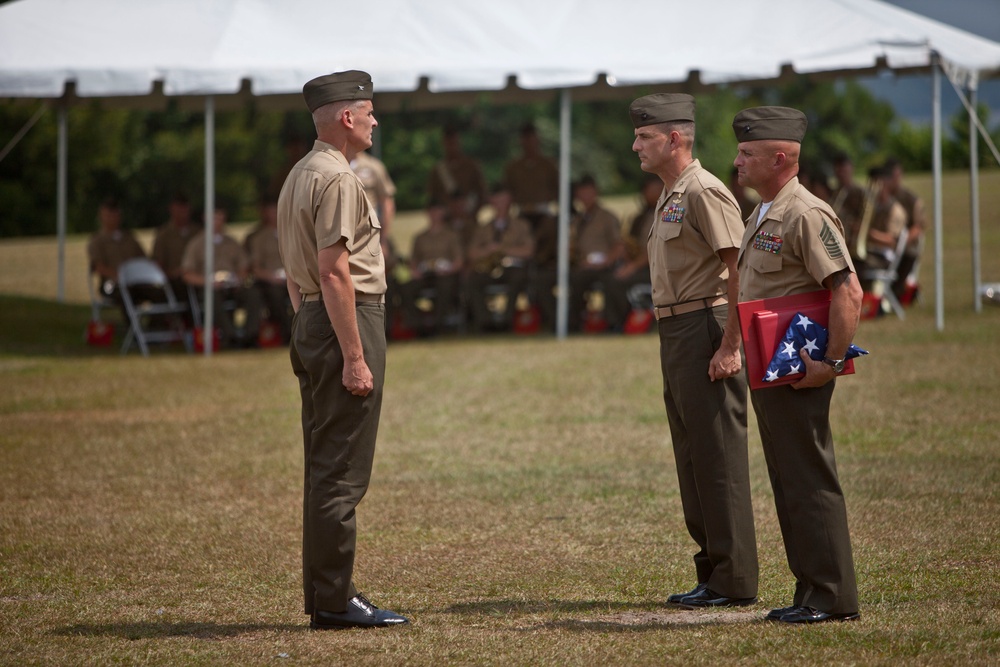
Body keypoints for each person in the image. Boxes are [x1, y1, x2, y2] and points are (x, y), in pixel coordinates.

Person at [276, 70, 408, 630]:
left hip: (312, 317)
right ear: (346, 117)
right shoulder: (338, 180)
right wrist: (355, 355)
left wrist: (308, 322)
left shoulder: (300, 174)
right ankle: (334, 600)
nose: (376, 120)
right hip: (343, 321)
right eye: (369, 111)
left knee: (323, 464)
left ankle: (325, 592)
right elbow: (335, 273)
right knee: (341, 471)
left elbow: (297, 271)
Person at [732, 106, 863, 624]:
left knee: (808, 477)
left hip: (802, 366)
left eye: (747, 154)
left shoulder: (806, 213)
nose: (736, 162)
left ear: (780, 158)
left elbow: (847, 291)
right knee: (789, 479)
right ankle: (811, 588)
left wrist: (830, 362)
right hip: (773, 366)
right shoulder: (763, 210)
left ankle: (831, 595)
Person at [629, 93, 758, 609]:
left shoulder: (703, 190)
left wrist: (731, 345)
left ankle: (734, 579)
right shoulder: (670, 192)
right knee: (693, 456)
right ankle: (713, 572)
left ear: (674, 138)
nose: (634, 144)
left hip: (708, 323)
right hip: (678, 329)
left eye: (644, 137)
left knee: (718, 455)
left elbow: (738, 269)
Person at [181, 205, 262, 349]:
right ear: (205, 218)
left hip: (231, 285)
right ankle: (230, 336)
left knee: (253, 294)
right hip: (209, 287)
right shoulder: (196, 244)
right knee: (212, 298)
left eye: (220, 217)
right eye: (213, 217)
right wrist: (209, 282)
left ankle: (250, 335)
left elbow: (244, 266)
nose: (217, 221)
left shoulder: (231, 242)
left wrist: (238, 279)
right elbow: (187, 274)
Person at [465, 184, 535, 333]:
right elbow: (471, 253)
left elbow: (528, 250)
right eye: (497, 201)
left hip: (513, 268)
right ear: (491, 202)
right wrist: (487, 250)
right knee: (472, 281)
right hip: (490, 268)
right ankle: (485, 321)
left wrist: (503, 249)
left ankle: (507, 320)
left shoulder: (521, 225)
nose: (501, 205)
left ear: (510, 201)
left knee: (517, 278)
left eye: (504, 200)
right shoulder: (483, 228)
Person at [603, 175, 658, 332]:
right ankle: (614, 322)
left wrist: (631, 267)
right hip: (638, 264)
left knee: (617, 281)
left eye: (657, 189)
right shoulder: (639, 218)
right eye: (651, 190)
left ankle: (620, 322)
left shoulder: (666, 212)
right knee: (609, 277)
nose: (655, 193)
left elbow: (655, 250)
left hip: (655, 269)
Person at [402, 202, 464, 334]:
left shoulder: (451, 236)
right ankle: (417, 324)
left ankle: (439, 324)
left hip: (446, 274)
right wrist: (415, 271)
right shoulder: (420, 237)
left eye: (438, 211)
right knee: (406, 289)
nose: (435, 215)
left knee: (445, 287)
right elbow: (413, 259)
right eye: (432, 211)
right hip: (425, 274)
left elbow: (459, 260)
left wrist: (450, 269)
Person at [245, 196, 292, 344]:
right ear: (265, 213)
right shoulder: (258, 238)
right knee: (274, 295)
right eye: (272, 211)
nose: (276, 214)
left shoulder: (293, 233)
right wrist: (272, 277)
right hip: (270, 281)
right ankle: (288, 332)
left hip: (293, 278)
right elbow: (255, 268)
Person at [87, 196, 147, 310]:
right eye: (108, 215)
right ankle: (132, 326)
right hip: (110, 285)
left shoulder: (129, 238)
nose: (112, 218)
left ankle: (157, 325)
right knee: (126, 294)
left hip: (134, 282)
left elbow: (143, 260)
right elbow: (98, 267)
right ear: (101, 216)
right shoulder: (97, 240)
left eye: (115, 214)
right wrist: (120, 276)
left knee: (159, 293)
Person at [881, 157, 925, 301]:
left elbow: (918, 227)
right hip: (882, 243)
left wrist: (900, 243)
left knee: (909, 254)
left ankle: (897, 291)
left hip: (903, 246)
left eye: (895, 176)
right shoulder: (880, 197)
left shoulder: (909, 199)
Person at [502, 122, 559, 231]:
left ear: (537, 139)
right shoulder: (513, 167)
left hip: (544, 213)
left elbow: (557, 188)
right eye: (526, 139)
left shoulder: (548, 165)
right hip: (521, 212)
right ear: (521, 141)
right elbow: (507, 191)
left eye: (531, 139)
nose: (529, 143)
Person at [428, 125, 488, 219]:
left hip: (469, 218)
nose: (451, 146)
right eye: (448, 143)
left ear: (459, 142)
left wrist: (471, 209)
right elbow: (433, 198)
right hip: (447, 221)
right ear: (443, 144)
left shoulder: (471, 166)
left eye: (454, 142)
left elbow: (481, 193)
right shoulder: (438, 170)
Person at [151, 192, 198, 301]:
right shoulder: (164, 234)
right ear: (171, 209)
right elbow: (157, 263)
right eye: (179, 209)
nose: (182, 213)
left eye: (185, 208)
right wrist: (173, 273)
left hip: (198, 278)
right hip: (173, 281)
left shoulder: (198, 232)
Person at [829, 152, 868, 263]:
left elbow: (865, 220)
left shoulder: (860, 193)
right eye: (838, 170)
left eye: (844, 169)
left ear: (851, 169)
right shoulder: (834, 193)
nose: (841, 174)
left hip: (851, 241)